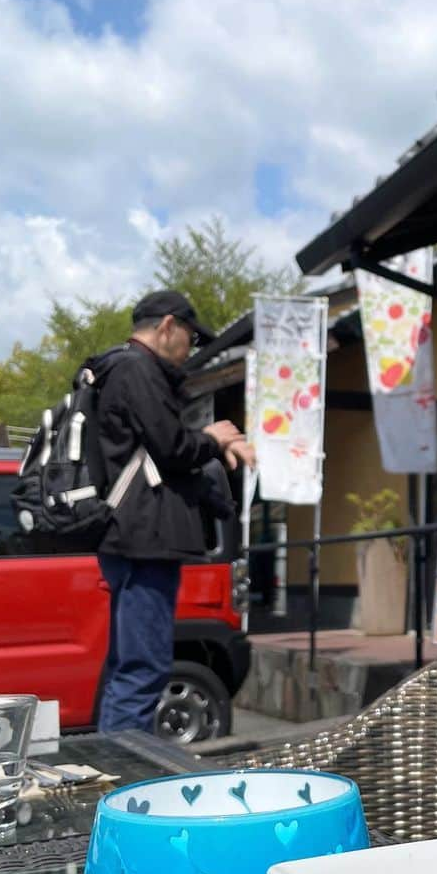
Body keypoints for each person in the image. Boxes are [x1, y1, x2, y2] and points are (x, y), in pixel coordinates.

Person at [95, 290, 254, 732]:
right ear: (167, 326)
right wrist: (215, 438)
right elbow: (172, 447)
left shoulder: (114, 368)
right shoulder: (137, 369)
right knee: (144, 667)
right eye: (188, 338)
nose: (189, 351)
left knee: (127, 666)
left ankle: (113, 768)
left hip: (124, 534)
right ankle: (125, 781)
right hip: (144, 538)